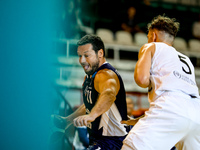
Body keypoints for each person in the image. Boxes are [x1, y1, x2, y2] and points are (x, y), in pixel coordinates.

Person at [121, 15, 200, 150]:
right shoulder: (186, 59)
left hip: (171, 109)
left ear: (153, 36)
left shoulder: (151, 46)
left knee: (131, 146)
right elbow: (180, 98)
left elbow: (142, 80)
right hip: (196, 113)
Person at [53, 34, 129, 150]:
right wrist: (68, 120)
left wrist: (92, 115)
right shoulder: (90, 76)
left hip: (112, 142)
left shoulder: (106, 74)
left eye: (87, 55)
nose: (82, 60)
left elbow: (108, 94)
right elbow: (91, 104)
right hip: (97, 141)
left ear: (100, 53)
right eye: (80, 56)